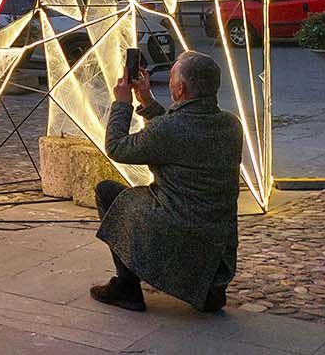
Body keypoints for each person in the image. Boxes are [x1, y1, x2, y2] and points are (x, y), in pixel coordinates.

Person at [91, 50, 242, 314]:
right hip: (215, 236)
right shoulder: (231, 125)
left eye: (172, 77)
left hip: (177, 224)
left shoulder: (169, 129)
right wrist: (147, 100)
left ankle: (126, 287)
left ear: (180, 88)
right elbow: (179, 133)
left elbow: (116, 147)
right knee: (143, 198)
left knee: (108, 192)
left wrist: (123, 103)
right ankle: (209, 288)